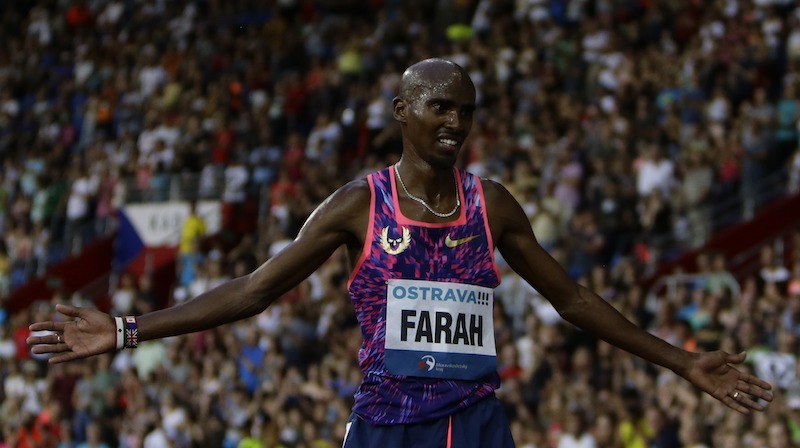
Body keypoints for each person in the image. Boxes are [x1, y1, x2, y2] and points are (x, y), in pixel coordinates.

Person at [28, 58, 773, 448]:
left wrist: (683, 361)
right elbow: (256, 289)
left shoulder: (493, 204)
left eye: (467, 111)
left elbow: (572, 300)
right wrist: (127, 330)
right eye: (440, 107)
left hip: (477, 425)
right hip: (387, 429)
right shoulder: (358, 205)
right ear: (403, 112)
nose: (455, 123)